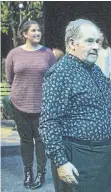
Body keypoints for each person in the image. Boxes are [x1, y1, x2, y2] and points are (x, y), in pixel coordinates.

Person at [39, 19, 111, 192]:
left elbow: (109, 100)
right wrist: (60, 161)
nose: (96, 46)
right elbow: (49, 121)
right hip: (79, 155)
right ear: (72, 43)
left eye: (97, 41)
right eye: (89, 41)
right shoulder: (60, 73)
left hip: (104, 155)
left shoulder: (94, 70)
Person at [5, 20, 56, 189]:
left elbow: (53, 78)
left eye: (39, 30)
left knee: (41, 140)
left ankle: (41, 173)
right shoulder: (14, 54)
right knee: (26, 140)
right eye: (33, 30)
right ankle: (28, 172)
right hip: (19, 104)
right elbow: (10, 78)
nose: (37, 33)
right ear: (25, 34)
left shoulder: (48, 53)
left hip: (42, 105)